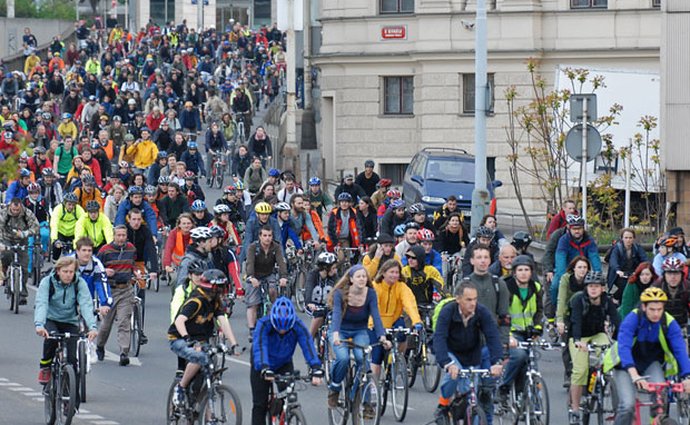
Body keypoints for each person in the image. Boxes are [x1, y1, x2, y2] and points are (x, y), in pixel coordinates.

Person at [603, 287, 690, 425]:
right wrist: (634, 374)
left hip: (650, 363)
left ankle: (656, 420)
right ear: (643, 307)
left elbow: (680, 350)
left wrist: (687, 376)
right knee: (627, 406)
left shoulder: (668, 322)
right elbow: (624, 348)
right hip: (625, 365)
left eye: (659, 309)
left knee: (660, 400)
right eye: (652, 309)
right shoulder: (632, 319)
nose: (656, 314)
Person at [432, 281, 504, 425]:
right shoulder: (448, 311)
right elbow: (439, 338)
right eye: (468, 299)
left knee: (470, 394)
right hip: (451, 352)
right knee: (454, 375)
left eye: (475, 299)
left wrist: (497, 362)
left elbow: (493, 336)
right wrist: (447, 363)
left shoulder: (481, 312)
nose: (473, 303)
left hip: (471, 355)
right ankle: (443, 404)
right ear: (458, 299)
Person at [169, 269, 241, 407]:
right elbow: (179, 321)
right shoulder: (196, 301)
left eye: (222, 288)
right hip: (180, 338)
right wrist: (188, 339)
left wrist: (234, 344)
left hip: (201, 339)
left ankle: (204, 412)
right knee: (199, 357)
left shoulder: (215, 301)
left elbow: (223, 321)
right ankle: (181, 387)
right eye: (218, 288)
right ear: (210, 287)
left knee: (209, 368)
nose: (220, 291)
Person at [250, 297, 323, 425]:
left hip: (284, 363)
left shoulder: (297, 325)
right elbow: (260, 347)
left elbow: (307, 344)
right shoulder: (263, 324)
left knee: (287, 395)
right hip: (262, 364)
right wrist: (264, 367)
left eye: (286, 329)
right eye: (279, 328)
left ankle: (283, 413)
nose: (282, 331)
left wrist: (316, 368)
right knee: (259, 404)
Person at [327, 264, 389, 410]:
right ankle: (334, 389)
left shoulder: (370, 294)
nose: (362, 279)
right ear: (351, 279)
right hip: (340, 330)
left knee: (363, 360)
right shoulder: (340, 293)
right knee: (343, 358)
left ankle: (366, 402)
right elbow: (336, 314)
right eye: (358, 276)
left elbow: (376, 316)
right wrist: (335, 333)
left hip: (360, 330)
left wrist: (382, 336)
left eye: (364, 276)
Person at [34, 256, 98, 385]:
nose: (68, 275)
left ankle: (72, 393)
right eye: (65, 271)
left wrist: (92, 327)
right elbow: (42, 303)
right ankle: (45, 366)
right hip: (51, 319)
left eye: (71, 272)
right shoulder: (47, 282)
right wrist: (39, 325)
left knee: (72, 359)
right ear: (58, 271)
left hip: (70, 321)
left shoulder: (79, 283)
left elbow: (86, 304)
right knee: (51, 339)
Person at [566, 271, 619, 424]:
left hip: (597, 334)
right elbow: (575, 322)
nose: (593, 289)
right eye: (590, 286)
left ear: (602, 288)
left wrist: (621, 340)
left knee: (609, 357)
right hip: (579, 337)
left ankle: (602, 381)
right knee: (580, 370)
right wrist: (577, 341)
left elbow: (617, 320)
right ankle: (575, 409)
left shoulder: (606, 301)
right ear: (586, 287)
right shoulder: (578, 300)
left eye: (597, 286)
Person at [496, 255, 543, 405]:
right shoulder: (506, 286)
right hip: (510, 333)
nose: (523, 273)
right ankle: (503, 388)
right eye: (520, 270)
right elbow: (501, 314)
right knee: (519, 356)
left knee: (529, 364)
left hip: (528, 332)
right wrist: (508, 336)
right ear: (514, 272)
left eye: (527, 270)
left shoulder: (535, 287)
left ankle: (522, 397)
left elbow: (539, 311)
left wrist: (537, 328)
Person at [369, 260, 423, 378]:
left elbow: (410, 304)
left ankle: (398, 358)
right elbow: (373, 308)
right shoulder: (375, 287)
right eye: (391, 272)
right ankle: (374, 385)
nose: (394, 275)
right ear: (383, 273)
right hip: (376, 322)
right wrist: (374, 325)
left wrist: (416, 321)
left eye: (397, 272)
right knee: (377, 355)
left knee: (403, 335)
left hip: (394, 320)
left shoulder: (401, 287)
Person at [95, 225, 137, 366]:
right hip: (110, 290)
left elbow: (133, 264)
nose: (121, 238)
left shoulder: (131, 249)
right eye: (118, 235)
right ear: (113, 236)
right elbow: (96, 267)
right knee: (106, 324)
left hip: (126, 289)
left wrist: (135, 272)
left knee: (124, 322)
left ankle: (124, 352)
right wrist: (104, 271)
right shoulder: (105, 251)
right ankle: (100, 346)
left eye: (123, 235)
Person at [245, 225, 289, 339]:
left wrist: (283, 277)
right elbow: (249, 263)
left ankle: (274, 316)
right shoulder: (253, 247)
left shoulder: (276, 247)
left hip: (269, 274)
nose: (267, 238)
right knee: (252, 302)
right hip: (255, 275)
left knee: (273, 290)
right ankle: (251, 330)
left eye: (269, 236)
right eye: (264, 235)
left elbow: (281, 262)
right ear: (260, 236)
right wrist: (251, 277)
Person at [552, 214, 602, 306]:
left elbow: (595, 258)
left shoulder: (589, 241)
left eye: (579, 228)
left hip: (584, 269)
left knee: (596, 287)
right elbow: (560, 260)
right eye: (574, 229)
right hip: (567, 270)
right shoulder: (563, 240)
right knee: (555, 286)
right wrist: (563, 277)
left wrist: (598, 275)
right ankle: (554, 311)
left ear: (583, 228)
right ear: (569, 228)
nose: (577, 231)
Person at [0, 197, 40, 304]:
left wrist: (25, 233)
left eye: (17, 210)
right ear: (11, 207)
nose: (15, 212)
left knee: (24, 266)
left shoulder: (27, 213)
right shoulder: (4, 213)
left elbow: (36, 227)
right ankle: (4, 272)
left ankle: (22, 293)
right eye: (13, 210)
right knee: (5, 255)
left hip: (22, 240)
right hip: (6, 239)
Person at [606, 228, 648, 304]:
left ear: (634, 238)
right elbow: (613, 260)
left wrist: (644, 269)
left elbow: (644, 259)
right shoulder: (617, 248)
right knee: (626, 285)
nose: (628, 240)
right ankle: (615, 297)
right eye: (626, 238)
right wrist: (618, 270)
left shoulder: (637, 247)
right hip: (618, 274)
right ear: (622, 238)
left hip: (632, 273)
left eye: (630, 238)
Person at [72, 237, 111, 316]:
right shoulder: (68, 261)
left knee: (91, 326)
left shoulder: (96, 264)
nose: (87, 253)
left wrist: (105, 303)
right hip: (68, 300)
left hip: (88, 299)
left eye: (89, 250)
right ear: (77, 251)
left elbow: (102, 283)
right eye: (84, 250)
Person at [304, 252, 338, 337]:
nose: (335, 270)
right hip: (314, 305)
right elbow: (308, 289)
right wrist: (309, 303)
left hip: (328, 305)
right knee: (319, 315)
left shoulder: (334, 276)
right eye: (333, 268)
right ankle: (310, 339)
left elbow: (339, 288)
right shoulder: (313, 275)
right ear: (325, 268)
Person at [654, 257, 690, 326]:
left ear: (682, 275)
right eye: (669, 273)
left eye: (676, 273)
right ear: (664, 275)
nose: (673, 277)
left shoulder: (687, 287)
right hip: (661, 326)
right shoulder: (656, 287)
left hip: (682, 325)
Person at [50, 193, 86, 260]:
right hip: (61, 232)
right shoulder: (58, 209)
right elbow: (54, 224)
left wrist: (79, 239)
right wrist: (55, 240)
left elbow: (83, 224)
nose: (71, 207)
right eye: (69, 204)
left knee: (77, 252)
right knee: (57, 249)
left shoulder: (79, 210)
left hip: (73, 233)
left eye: (73, 205)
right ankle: (55, 262)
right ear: (64, 203)